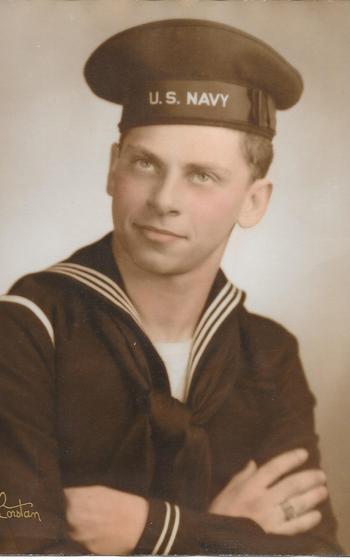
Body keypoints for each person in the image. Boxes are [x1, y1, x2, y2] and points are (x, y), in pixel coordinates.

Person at [0, 18, 342, 555]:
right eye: (145, 163)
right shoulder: (26, 329)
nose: (164, 199)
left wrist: (156, 530)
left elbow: (316, 552)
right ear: (114, 169)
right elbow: (15, 531)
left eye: (201, 175)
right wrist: (231, 532)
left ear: (254, 200)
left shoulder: (269, 355)